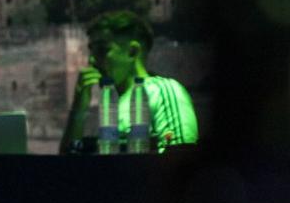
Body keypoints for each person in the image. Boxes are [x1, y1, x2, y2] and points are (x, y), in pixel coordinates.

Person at [59, 10, 199, 155]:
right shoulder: (108, 106)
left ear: (132, 52)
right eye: (91, 51)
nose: (92, 60)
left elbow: (181, 158)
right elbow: (67, 164)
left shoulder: (162, 92)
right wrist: (78, 109)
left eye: (102, 50)